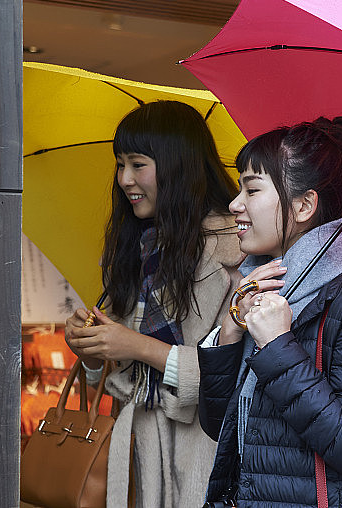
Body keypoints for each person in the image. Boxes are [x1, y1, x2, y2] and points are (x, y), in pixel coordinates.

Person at [197, 116, 342, 507]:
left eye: (251, 189)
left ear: (304, 204)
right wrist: (230, 329)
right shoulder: (262, 290)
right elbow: (220, 427)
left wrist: (277, 345)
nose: (234, 204)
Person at [64, 100, 243, 507]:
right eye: (120, 164)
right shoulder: (140, 248)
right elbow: (121, 377)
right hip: (136, 453)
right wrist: (92, 347)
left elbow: (232, 374)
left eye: (138, 164)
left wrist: (136, 345)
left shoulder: (237, 251)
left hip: (205, 450)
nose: (125, 179)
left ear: (177, 166)